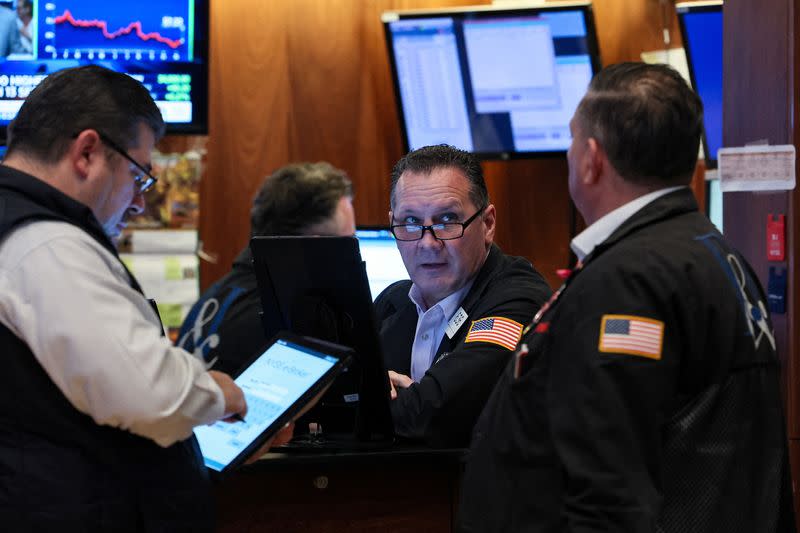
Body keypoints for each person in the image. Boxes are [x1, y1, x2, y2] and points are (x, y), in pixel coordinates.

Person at [457, 62, 796, 532]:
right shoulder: (713, 251)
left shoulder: (628, 279)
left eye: (573, 139)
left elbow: (608, 483)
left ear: (592, 158)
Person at [0, 65, 287, 531]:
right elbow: (149, 394)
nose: (138, 202)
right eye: (139, 175)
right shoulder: (47, 243)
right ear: (88, 151)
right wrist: (217, 391)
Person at [374, 144, 551, 447]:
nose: (428, 244)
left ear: (488, 224)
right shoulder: (393, 302)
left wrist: (370, 405)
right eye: (411, 223)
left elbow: (437, 412)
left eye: (446, 221)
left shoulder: (518, 298)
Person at [178, 162, 356, 375]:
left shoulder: (215, 296)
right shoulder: (283, 324)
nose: (352, 257)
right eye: (347, 244)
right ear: (312, 247)